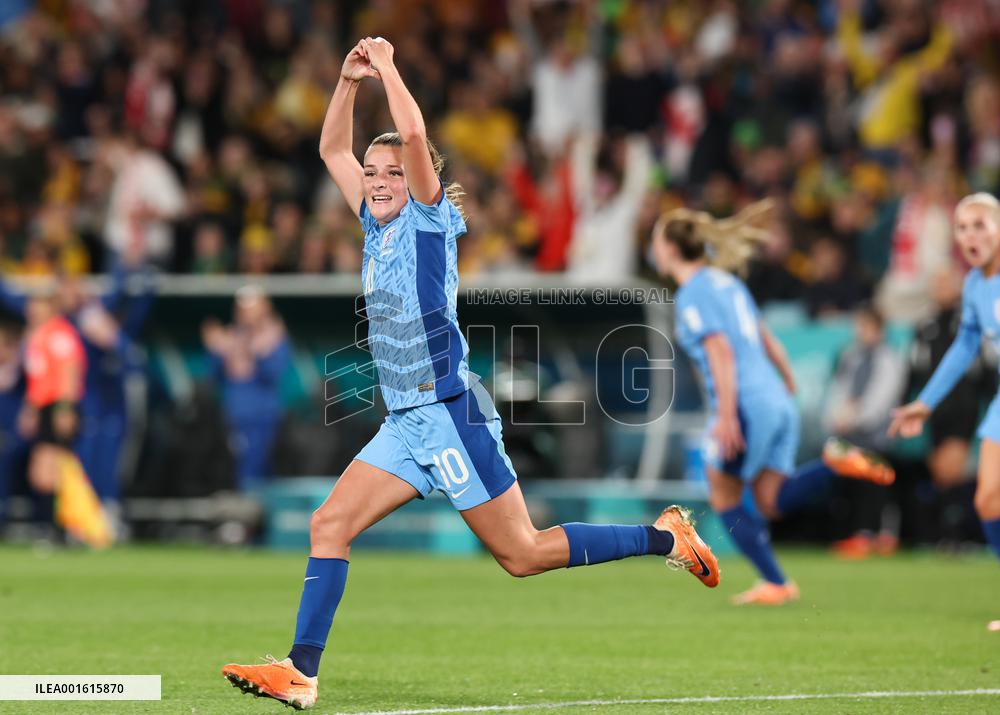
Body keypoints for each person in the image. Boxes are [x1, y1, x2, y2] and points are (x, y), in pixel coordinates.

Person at [221, 37, 721, 711]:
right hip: (404, 421)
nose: (375, 180)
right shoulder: (374, 222)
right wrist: (345, 83)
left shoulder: (428, 221)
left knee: (522, 553)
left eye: (390, 172)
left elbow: (417, 132)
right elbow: (331, 152)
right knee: (328, 523)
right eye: (373, 171)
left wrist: (390, 69)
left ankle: (666, 536)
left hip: (449, 413)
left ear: (416, 178)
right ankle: (301, 671)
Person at [649, 201, 895, 606]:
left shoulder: (692, 293)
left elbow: (720, 350)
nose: (653, 250)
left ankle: (757, 575)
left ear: (672, 248)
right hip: (774, 399)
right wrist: (786, 379)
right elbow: (766, 336)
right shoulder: (727, 282)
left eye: (656, 241)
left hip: (745, 404)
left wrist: (726, 415)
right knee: (770, 499)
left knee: (724, 495)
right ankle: (832, 467)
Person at [889, 192, 1000, 632]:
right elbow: (965, 346)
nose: (971, 235)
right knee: (988, 500)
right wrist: (924, 401)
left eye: (981, 225)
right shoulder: (975, 285)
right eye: (962, 227)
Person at [823, 305, 907, 558]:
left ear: (879, 329)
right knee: (855, 485)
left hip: (877, 433)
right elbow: (840, 390)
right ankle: (862, 534)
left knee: (877, 484)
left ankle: (883, 535)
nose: (862, 332)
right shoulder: (852, 355)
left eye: (867, 327)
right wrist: (838, 418)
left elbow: (882, 398)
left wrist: (856, 418)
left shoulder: (889, 358)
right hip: (852, 435)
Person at [202, 285, 291, 491]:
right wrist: (216, 347)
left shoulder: (274, 336)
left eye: (253, 308)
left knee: (262, 467)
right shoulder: (231, 337)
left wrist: (253, 348)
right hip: (237, 415)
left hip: (264, 415)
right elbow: (214, 374)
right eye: (244, 309)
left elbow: (273, 372)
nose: (248, 314)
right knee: (239, 466)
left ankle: (257, 514)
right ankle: (244, 514)